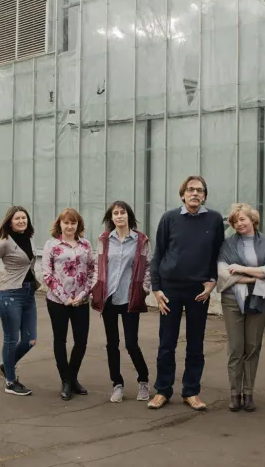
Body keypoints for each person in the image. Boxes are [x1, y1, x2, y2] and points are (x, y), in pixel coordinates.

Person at [148, 175, 226, 411]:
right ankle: (162, 390)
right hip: (170, 290)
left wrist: (212, 281)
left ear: (204, 195)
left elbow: (218, 254)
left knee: (195, 343)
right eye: (190, 190)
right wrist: (156, 289)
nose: (195, 193)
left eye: (199, 190)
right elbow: (158, 254)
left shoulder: (214, 219)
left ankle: (191, 392)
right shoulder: (169, 218)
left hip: (198, 291)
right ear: (182, 194)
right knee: (167, 343)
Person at [216, 203, 265, 413]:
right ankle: (235, 394)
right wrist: (255, 276)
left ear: (253, 219)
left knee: (252, 346)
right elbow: (223, 273)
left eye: (242, 219)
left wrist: (242, 270)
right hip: (232, 300)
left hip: (260, 300)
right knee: (236, 347)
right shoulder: (227, 244)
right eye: (234, 221)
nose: (239, 224)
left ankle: (248, 393)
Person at [92, 201, 152, 403]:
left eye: (122, 212)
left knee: (131, 344)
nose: (119, 216)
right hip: (108, 298)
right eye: (115, 213)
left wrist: (144, 289)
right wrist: (95, 288)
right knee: (112, 344)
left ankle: (143, 381)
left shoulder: (141, 240)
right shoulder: (104, 239)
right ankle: (117, 384)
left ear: (129, 216)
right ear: (111, 218)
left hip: (129, 298)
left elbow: (148, 267)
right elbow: (98, 266)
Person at [41, 208, 97, 401]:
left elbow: (92, 271)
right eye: (66, 222)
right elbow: (47, 274)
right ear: (60, 224)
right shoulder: (51, 245)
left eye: (73, 223)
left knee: (81, 341)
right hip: (58, 301)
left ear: (78, 225)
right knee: (60, 340)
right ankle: (65, 380)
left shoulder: (86, 244)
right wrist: (65, 297)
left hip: (81, 301)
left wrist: (82, 295)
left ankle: (72, 378)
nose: (69, 226)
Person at [0, 206, 39, 397]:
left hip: (29, 294)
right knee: (11, 339)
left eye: (24, 218)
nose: (22, 221)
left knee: (30, 340)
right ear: (10, 222)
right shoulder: (5, 243)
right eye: (17, 218)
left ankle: (6, 365)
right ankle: (10, 381)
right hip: (10, 296)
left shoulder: (29, 238)